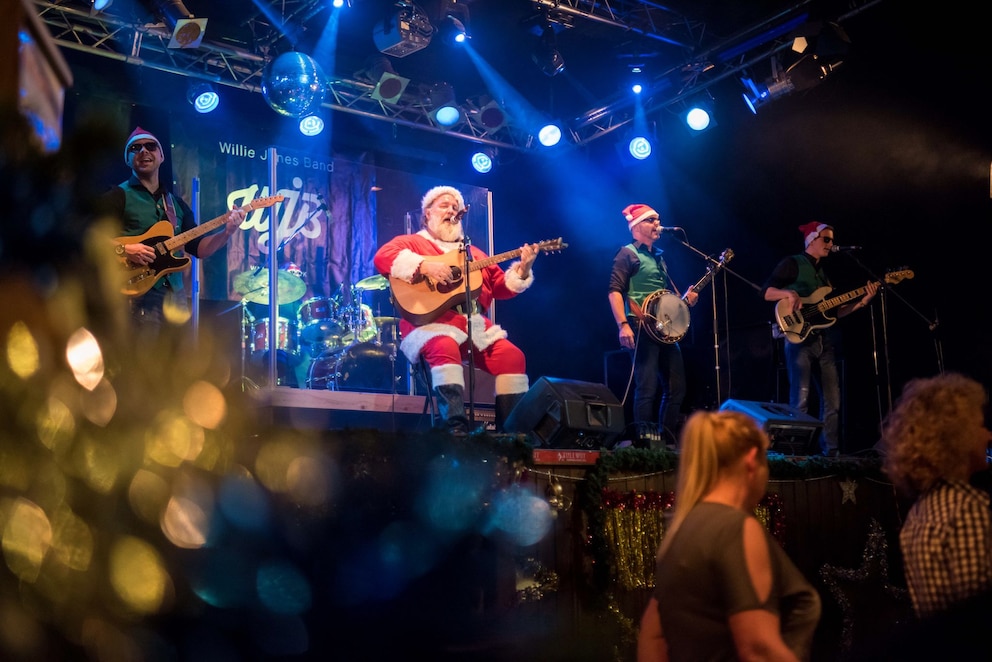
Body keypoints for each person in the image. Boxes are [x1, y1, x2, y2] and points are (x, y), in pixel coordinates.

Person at [637, 410, 821, 662]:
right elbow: (758, 649)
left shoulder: (681, 530)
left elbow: (652, 638)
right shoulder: (736, 528)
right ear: (752, 459)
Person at [373, 185, 538, 433]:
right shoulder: (413, 243)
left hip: (473, 325)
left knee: (513, 357)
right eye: (444, 206)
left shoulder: (472, 253)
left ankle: (512, 435)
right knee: (444, 345)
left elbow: (501, 288)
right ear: (427, 213)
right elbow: (383, 257)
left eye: (455, 207)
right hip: (430, 325)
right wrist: (425, 266)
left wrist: (522, 270)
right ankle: (454, 431)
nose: (451, 210)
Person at [101, 126, 246, 335]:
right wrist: (125, 249)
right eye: (135, 148)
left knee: (178, 363)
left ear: (161, 156)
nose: (143, 151)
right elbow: (86, 234)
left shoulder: (175, 204)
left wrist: (227, 232)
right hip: (135, 293)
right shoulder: (117, 195)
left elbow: (199, 249)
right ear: (127, 159)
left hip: (174, 297)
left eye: (150, 146)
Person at [878, 372, 992, 619]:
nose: (988, 435)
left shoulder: (920, 512)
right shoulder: (968, 509)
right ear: (956, 436)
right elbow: (977, 617)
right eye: (981, 425)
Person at [761, 221, 878, 456]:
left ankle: (831, 453)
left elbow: (835, 313)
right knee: (800, 400)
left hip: (824, 341)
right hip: (799, 339)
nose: (831, 244)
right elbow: (766, 292)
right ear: (812, 240)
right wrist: (789, 293)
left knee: (832, 401)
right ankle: (794, 453)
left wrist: (861, 302)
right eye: (826, 239)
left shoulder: (823, 275)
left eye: (832, 240)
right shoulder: (792, 263)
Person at [608, 203, 698, 447]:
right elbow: (615, 291)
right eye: (652, 220)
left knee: (677, 388)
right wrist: (622, 324)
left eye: (658, 219)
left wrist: (683, 301)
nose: (658, 224)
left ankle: (665, 439)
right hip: (641, 327)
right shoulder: (627, 253)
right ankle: (643, 443)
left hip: (664, 329)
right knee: (646, 387)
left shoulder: (659, 256)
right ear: (636, 227)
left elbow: (663, 297)